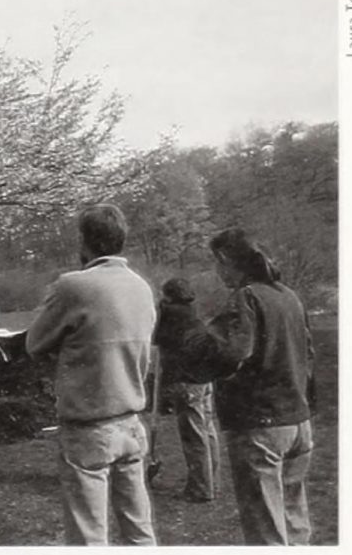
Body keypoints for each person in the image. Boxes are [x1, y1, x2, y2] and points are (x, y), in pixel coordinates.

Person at [161, 228, 315, 545]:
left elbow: (227, 353)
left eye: (217, 264)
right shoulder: (289, 296)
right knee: (295, 528)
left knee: (266, 535)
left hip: (261, 426)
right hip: (298, 423)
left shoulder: (247, 297)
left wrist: (191, 344)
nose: (217, 272)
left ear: (226, 260)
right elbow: (308, 353)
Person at [25, 203, 157, 546]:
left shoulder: (73, 286)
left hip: (89, 425)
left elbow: (35, 343)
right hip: (131, 421)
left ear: (85, 241)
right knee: (139, 531)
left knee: (89, 537)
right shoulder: (141, 287)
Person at [153, 277, 220, 503]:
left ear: (169, 295)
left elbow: (156, 338)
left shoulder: (172, 314)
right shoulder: (193, 311)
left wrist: (160, 311)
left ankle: (201, 489)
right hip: (204, 379)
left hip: (186, 380)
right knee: (207, 430)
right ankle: (211, 482)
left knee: (194, 436)